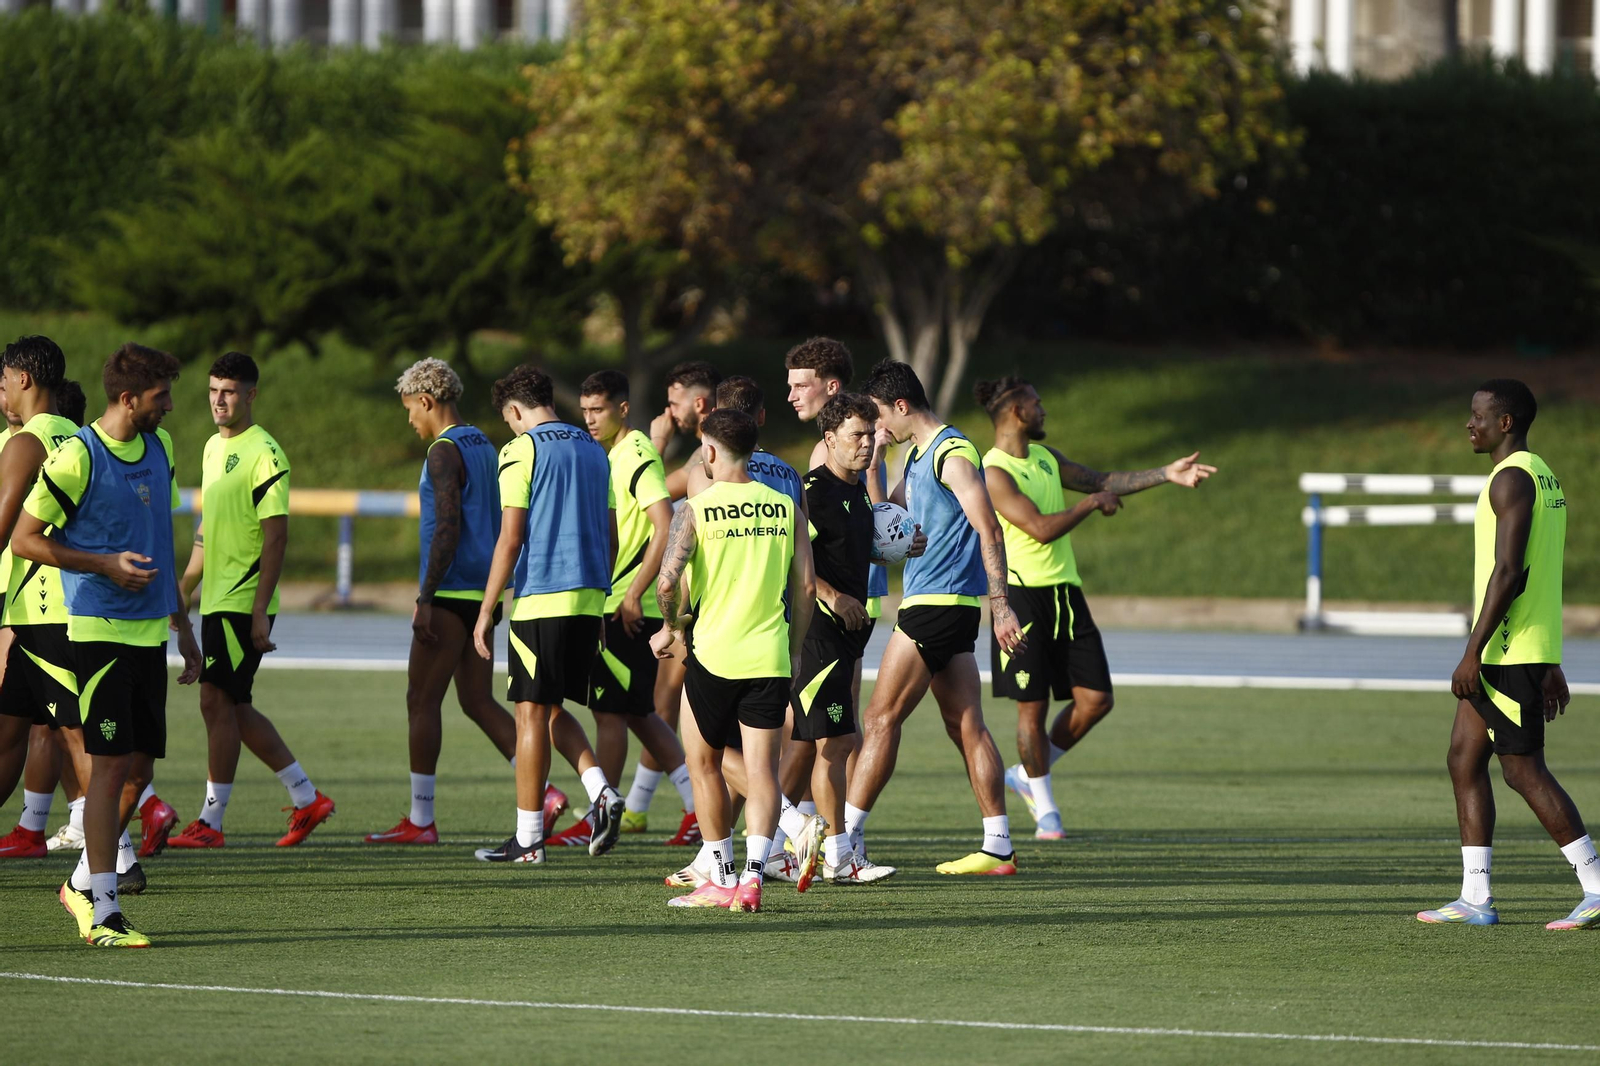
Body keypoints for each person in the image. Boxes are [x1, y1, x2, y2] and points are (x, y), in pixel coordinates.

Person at [13, 342, 202, 948]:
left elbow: (160, 539)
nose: (169, 406)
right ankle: (104, 910)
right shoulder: (78, 456)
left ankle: (79, 884)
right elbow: (24, 539)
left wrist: (184, 625)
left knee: (138, 772)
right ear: (128, 398)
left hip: (150, 635)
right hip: (99, 632)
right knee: (110, 768)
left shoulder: (160, 447)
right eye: (160, 396)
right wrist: (103, 565)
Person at [973, 376, 1215, 839]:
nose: (1043, 409)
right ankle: (1045, 809)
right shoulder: (994, 472)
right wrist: (1089, 506)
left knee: (1097, 699)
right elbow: (1039, 528)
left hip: (1066, 592)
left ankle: (1028, 774)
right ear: (1017, 412)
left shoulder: (1046, 457)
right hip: (1023, 598)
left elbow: (1102, 480)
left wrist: (1166, 473)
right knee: (1032, 709)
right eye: (1037, 402)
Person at [1419, 379, 1600, 930]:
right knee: (1463, 758)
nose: (1468, 424)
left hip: (1505, 649)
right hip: (1523, 645)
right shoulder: (1542, 475)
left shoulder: (1512, 478)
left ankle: (1596, 884)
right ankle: (1475, 898)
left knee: (1522, 770)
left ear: (1505, 423)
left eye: (1478, 416)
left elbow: (1511, 572)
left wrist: (1472, 651)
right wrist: (1550, 658)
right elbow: (1543, 572)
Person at [366, 359, 565, 845]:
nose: (409, 419)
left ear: (426, 401)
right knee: (477, 700)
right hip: (483, 593)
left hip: (451, 593)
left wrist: (425, 597)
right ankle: (546, 793)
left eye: (410, 409)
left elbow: (447, 528)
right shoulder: (482, 442)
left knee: (420, 700)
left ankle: (421, 820)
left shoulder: (443, 451)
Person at [844, 359, 1024, 876]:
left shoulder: (951, 453)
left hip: (936, 605)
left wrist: (1001, 606)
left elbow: (990, 529)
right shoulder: (918, 455)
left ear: (901, 405)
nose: (878, 427)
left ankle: (844, 842)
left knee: (879, 719)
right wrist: (875, 460)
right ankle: (999, 846)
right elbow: (887, 519)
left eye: (880, 416)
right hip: (946, 608)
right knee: (966, 725)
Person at [649, 409, 815, 911]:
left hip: (713, 655)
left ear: (710, 450)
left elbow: (666, 584)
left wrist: (672, 627)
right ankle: (753, 878)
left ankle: (721, 877)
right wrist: (794, 649)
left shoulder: (695, 508)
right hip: (770, 655)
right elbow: (807, 588)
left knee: (704, 763)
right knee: (763, 772)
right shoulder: (786, 507)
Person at [170, 352, 333, 849]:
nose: (219, 400)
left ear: (251, 395)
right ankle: (307, 798)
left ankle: (211, 823)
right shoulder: (211, 447)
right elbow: (208, 525)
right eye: (213, 390)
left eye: (229, 391)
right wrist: (187, 584)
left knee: (215, 699)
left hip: (243, 600)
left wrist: (261, 608)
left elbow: (276, 536)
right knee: (233, 706)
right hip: (217, 598)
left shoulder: (265, 452)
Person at [471, 365, 624, 864]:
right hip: (589, 596)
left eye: (508, 419)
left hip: (542, 596)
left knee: (529, 712)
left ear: (515, 410)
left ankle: (529, 840)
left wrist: (487, 607)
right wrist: (601, 599)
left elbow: (510, 537)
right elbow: (611, 532)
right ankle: (601, 790)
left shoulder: (521, 449)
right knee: (552, 708)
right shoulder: (593, 448)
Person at [551, 369, 698, 848]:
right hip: (619, 600)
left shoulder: (635, 453)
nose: (590, 419)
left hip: (625, 605)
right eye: (585, 411)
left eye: (599, 410)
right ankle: (696, 806)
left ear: (623, 409)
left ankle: (603, 815)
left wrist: (635, 592)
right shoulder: (616, 452)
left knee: (608, 713)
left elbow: (664, 522)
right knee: (638, 713)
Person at [783, 394, 910, 885]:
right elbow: (793, 563)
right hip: (817, 633)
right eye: (857, 435)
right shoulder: (811, 493)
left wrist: (896, 548)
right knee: (835, 744)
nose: (867, 444)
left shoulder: (858, 493)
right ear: (830, 439)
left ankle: (773, 845)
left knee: (821, 744)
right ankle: (839, 857)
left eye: (871, 434)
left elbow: (846, 551)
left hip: (847, 637)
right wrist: (833, 596)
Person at [0, 341, 95, 863]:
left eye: (5, 376)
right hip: (54, 606)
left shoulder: (26, 442)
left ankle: (118, 852)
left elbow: (3, 529)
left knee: (74, 736)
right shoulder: (79, 437)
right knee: (10, 729)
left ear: (24, 378)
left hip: (44, 610)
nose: (2, 385)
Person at [623, 361, 722, 833]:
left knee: (662, 703)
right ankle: (639, 806)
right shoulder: (728, 447)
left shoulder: (709, 454)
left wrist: (655, 443)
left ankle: (695, 814)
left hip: (702, 598)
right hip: (735, 598)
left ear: (699, 403)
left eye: (673, 402)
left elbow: (655, 493)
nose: (668, 411)